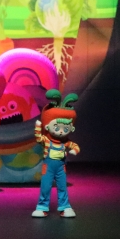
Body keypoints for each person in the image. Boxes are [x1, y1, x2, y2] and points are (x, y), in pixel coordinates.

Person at [32, 90, 80, 218]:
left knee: (62, 187)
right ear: (48, 127)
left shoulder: (65, 142)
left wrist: (74, 150)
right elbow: (39, 138)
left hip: (61, 168)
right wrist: (38, 127)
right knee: (45, 187)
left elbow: (75, 146)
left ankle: (65, 207)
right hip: (48, 168)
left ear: (71, 128)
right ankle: (42, 207)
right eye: (57, 128)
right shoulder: (47, 140)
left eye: (65, 128)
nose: (61, 132)